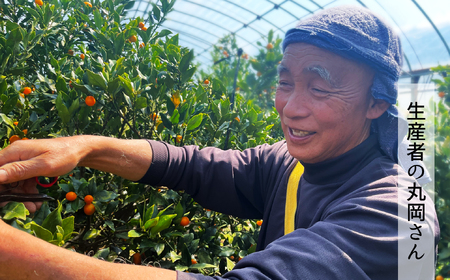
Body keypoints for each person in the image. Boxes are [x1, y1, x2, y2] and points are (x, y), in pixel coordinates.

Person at [0, 5, 439, 280]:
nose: (290, 107)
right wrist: (85, 147)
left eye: (319, 88)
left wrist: (11, 253)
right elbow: (191, 164)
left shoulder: (396, 214)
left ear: (375, 104)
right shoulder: (289, 163)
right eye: (285, 82)